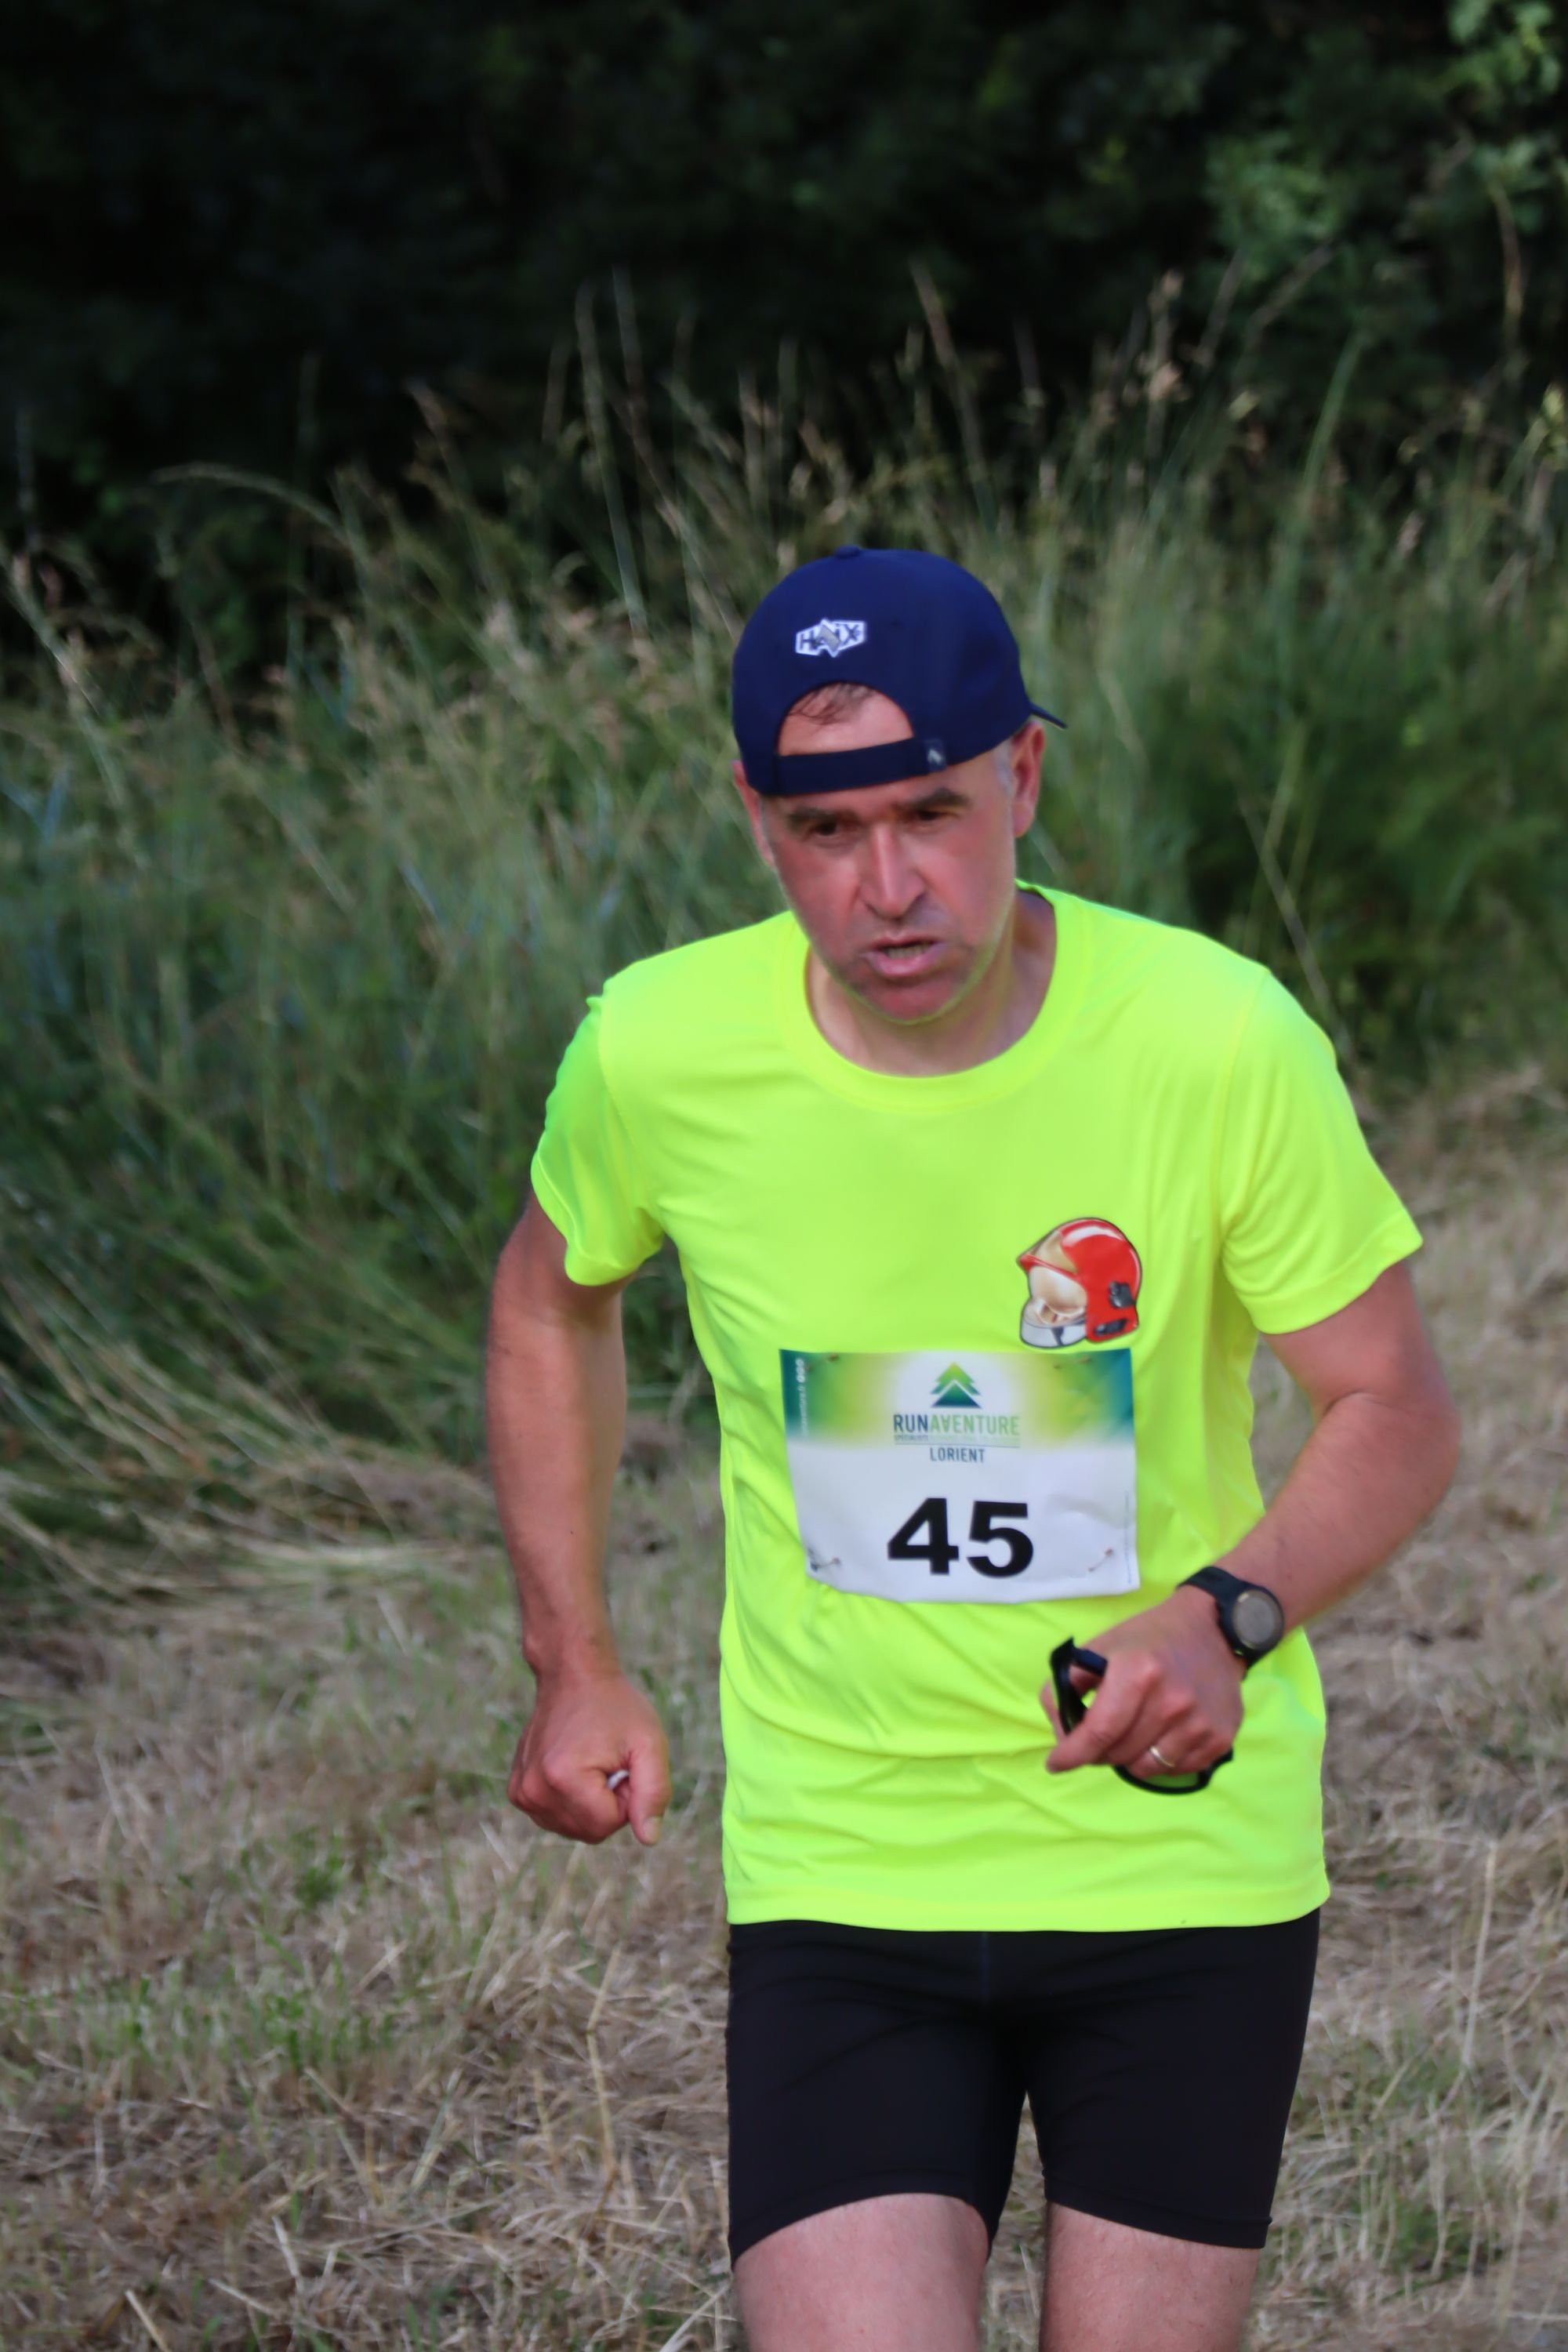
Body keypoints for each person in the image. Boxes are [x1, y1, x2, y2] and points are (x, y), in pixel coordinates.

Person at [486, 545, 1460, 2352]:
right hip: (845, 1864)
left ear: (1022, 773)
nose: (886, 889)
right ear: (753, 817)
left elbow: (1392, 1404)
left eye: (931, 811)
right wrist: (572, 1654)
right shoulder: (661, 1051)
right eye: (824, 830)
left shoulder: (1212, 1037)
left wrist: (1225, 1613)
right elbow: (552, 1296)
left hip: (1171, 1862)